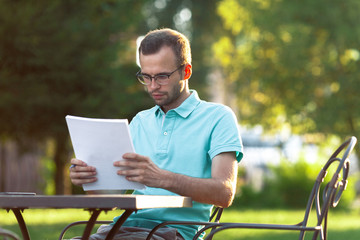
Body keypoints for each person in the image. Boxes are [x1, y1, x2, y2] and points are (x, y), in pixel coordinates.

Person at [69, 28, 243, 240]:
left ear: (186, 72)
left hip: (172, 232)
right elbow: (113, 200)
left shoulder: (218, 117)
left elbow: (224, 193)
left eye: (162, 76)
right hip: (120, 230)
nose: (153, 87)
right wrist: (91, 181)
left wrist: (162, 178)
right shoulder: (140, 122)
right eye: (146, 77)